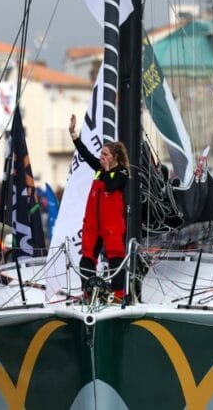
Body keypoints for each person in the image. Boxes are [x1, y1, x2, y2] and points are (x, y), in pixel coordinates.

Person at [69, 114, 129, 301]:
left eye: (105, 155)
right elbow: (86, 154)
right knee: (86, 258)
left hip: (111, 225)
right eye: (101, 154)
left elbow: (112, 187)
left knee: (115, 258)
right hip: (93, 224)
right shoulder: (100, 169)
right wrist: (74, 135)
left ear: (114, 157)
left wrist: (108, 169)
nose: (101, 157)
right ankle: (88, 292)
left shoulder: (121, 173)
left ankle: (118, 294)